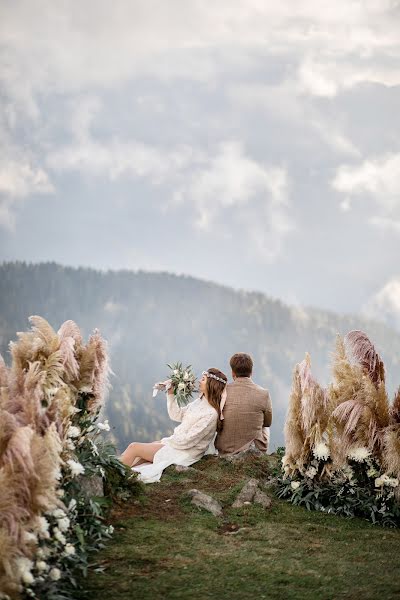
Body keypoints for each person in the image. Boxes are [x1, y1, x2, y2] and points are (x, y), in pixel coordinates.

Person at [119, 368, 227, 483]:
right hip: (177, 444)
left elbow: (190, 440)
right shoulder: (199, 403)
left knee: (134, 447)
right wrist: (171, 393)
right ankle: (122, 475)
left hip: (184, 452)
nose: (199, 381)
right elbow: (176, 415)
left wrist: (167, 442)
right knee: (141, 455)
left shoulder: (211, 414)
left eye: (203, 379)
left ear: (211, 384)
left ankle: (113, 474)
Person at [215, 352, 272, 455]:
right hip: (254, 450)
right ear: (251, 372)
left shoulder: (222, 392)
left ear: (233, 372)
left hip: (225, 449)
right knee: (264, 424)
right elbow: (267, 423)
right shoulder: (264, 393)